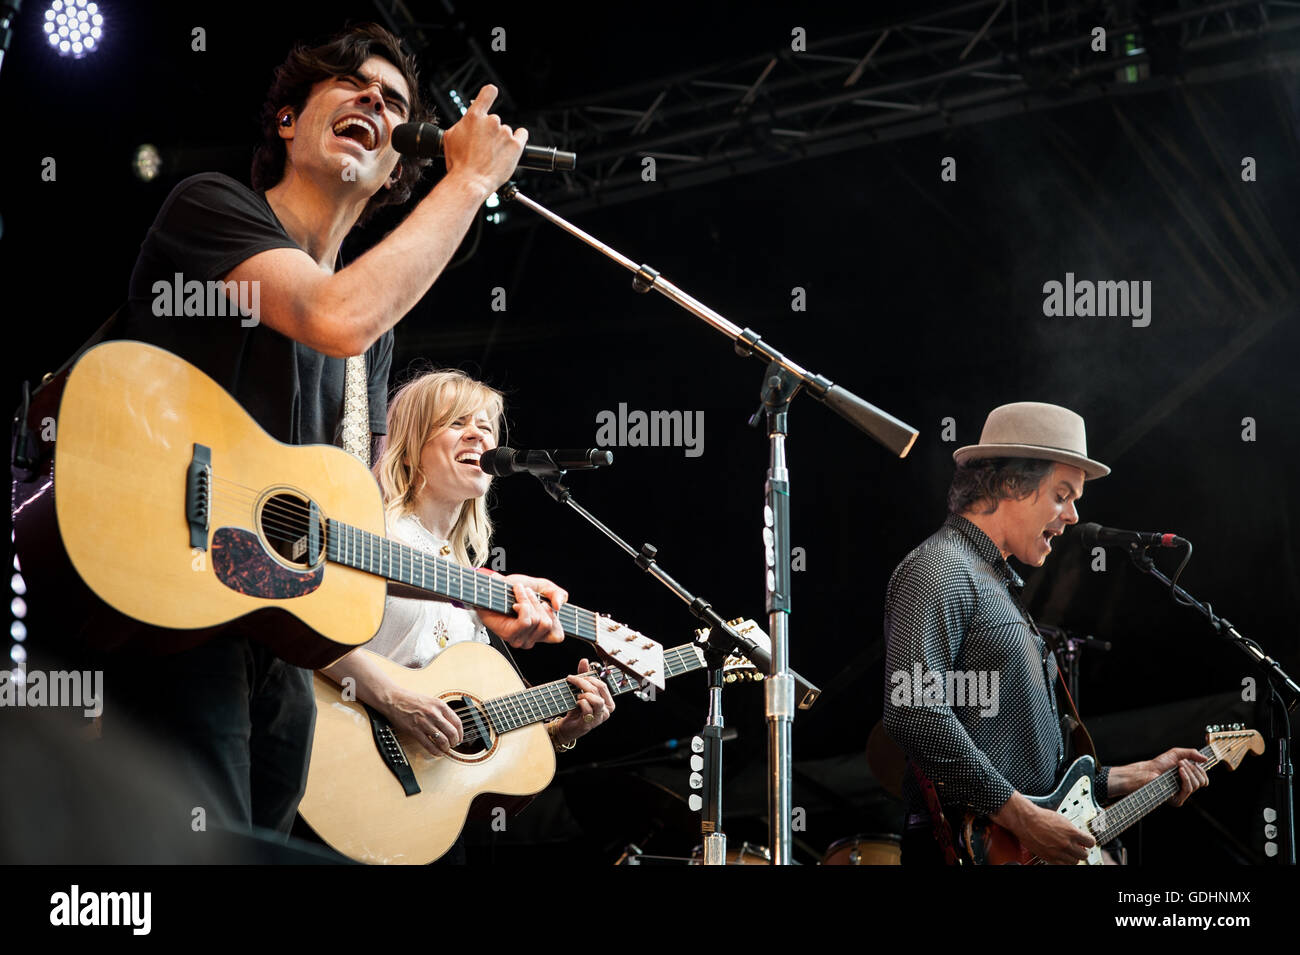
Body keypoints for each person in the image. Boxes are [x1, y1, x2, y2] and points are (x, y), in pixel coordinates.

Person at [92, 23, 558, 841]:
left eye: (395, 103)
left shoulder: (368, 348)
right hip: (170, 599)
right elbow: (329, 313)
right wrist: (470, 178)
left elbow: (342, 540)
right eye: (350, 86)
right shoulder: (212, 208)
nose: (375, 100)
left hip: (280, 652)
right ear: (287, 124)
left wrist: (484, 596)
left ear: (391, 174)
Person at [883, 401, 1210, 865]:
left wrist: (1132, 776)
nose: (1073, 515)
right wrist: (1022, 819)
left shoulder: (992, 581)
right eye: (1062, 494)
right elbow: (914, 710)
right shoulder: (940, 569)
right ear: (1011, 484)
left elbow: (1037, 773)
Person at [320, 369, 615, 766]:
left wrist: (559, 732)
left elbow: (467, 724)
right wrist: (393, 700)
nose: (479, 435)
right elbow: (296, 626)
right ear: (410, 444)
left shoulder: (470, 572)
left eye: (485, 426)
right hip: (333, 747)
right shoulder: (371, 528)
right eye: (456, 422)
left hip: (405, 793)